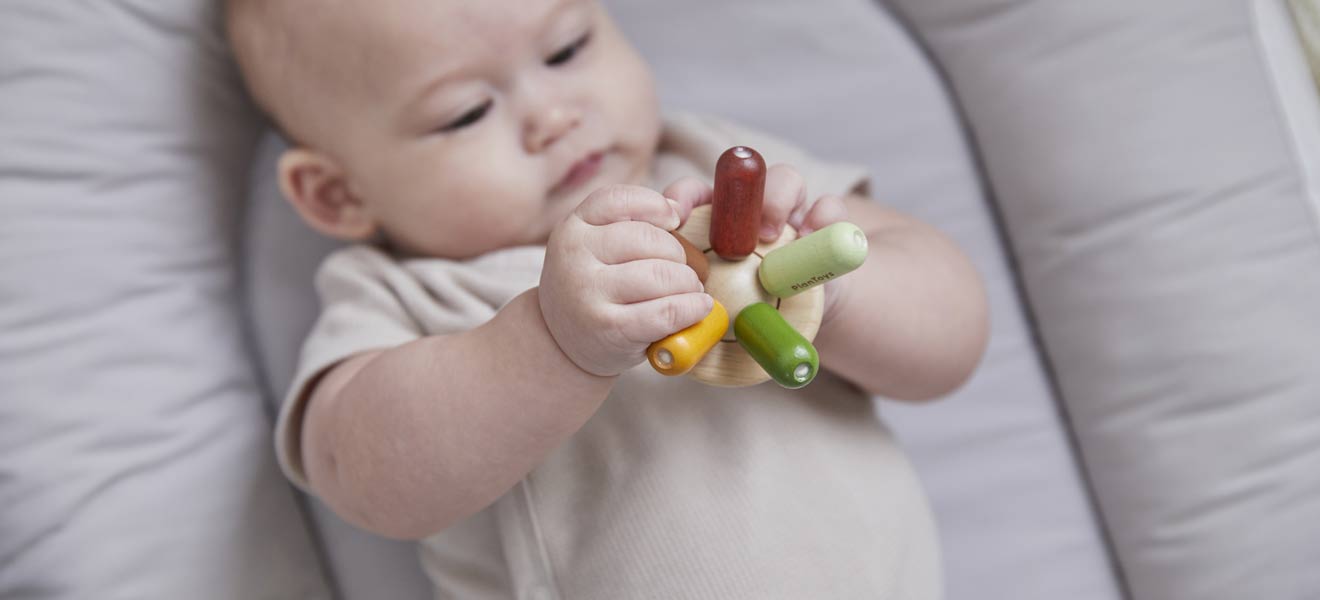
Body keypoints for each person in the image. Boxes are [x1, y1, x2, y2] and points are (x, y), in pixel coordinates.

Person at [226, 0, 989, 597]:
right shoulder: (403, 290)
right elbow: (369, 483)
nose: (555, 115)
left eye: (566, 49)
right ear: (337, 194)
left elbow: (955, 337)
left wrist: (840, 291)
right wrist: (550, 342)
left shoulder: (723, 169)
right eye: (466, 112)